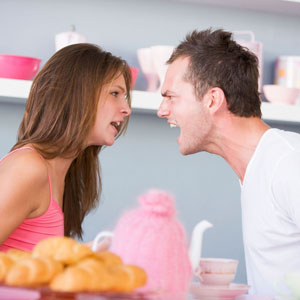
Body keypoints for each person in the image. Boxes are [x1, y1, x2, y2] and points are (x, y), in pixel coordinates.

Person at [157, 28, 300, 296]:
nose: (162, 110)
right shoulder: (258, 168)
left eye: (171, 97)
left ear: (213, 100)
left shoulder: (290, 165)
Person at [0, 43, 132, 252]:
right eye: (115, 93)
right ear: (77, 94)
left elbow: (38, 260)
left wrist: (91, 252)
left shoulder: (64, 172)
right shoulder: (27, 168)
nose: (126, 109)